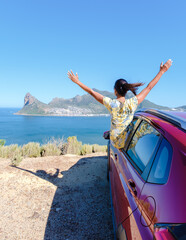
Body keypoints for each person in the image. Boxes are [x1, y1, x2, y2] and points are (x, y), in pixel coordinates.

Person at [68, 59, 172, 149]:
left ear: (115, 90)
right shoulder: (133, 102)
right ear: (126, 91)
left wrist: (77, 82)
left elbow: (92, 92)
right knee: (144, 126)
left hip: (117, 143)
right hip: (130, 143)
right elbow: (149, 87)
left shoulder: (111, 104)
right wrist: (162, 71)